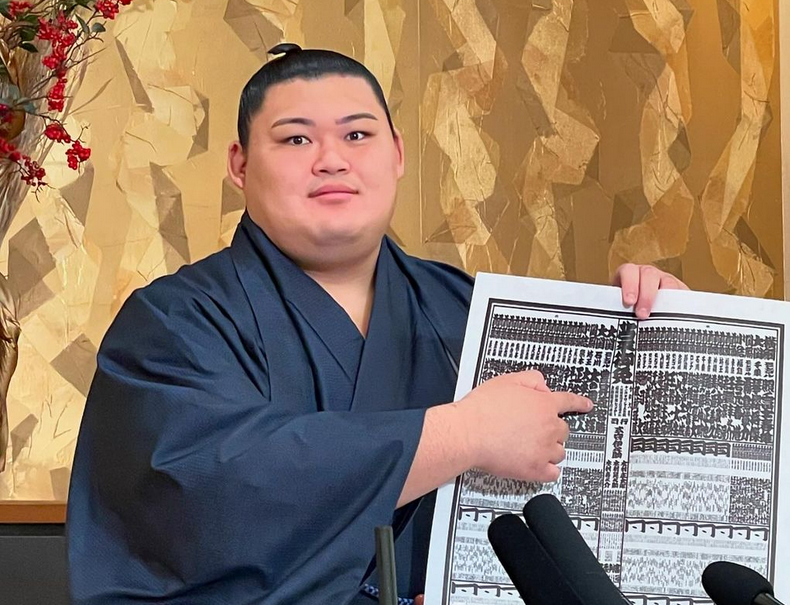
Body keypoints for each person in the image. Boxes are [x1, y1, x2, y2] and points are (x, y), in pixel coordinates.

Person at [66, 43, 689, 604]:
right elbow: (212, 491)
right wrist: (460, 435)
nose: (332, 160)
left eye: (358, 136)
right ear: (239, 164)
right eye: (295, 139)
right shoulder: (174, 321)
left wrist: (650, 333)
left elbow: (587, 452)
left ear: (396, 154)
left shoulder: (466, 305)